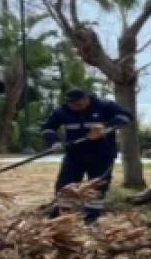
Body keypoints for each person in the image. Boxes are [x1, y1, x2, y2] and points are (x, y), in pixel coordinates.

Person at [41, 89, 131, 224]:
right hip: (75, 155)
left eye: (79, 104)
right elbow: (47, 127)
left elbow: (126, 117)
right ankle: (59, 218)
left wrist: (106, 128)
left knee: (96, 188)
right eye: (73, 105)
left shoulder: (105, 106)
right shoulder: (62, 111)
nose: (77, 107)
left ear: (86, 98)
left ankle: (90, 220)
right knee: (65, 186)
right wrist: (54, 142)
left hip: (102, 155)